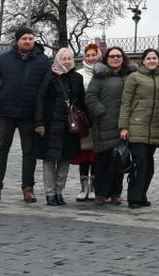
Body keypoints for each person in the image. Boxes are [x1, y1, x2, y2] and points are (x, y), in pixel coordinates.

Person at [0, 27, 51, 203]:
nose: (28, 41)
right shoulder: (4, 60)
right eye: (24, 38)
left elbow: (46, 87)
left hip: (29, 112)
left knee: (29, 152)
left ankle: (28, 188)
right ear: (17, 41)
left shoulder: (43, 61)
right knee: (0, 149)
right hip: (5, 112)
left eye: (31, 38)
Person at [34, 46, 86, 206]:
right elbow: (41, 99)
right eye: (64, 58)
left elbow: (81, 102)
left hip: (69, 127)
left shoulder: (77, 78)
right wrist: (39, 122)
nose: (67, 61)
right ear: (58, 60)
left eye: (69, 58)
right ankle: (50, 193)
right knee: (49, 160)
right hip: (50, 125)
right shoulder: (49, 76)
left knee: (65, 160)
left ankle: (59, 191)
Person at [119, 48, 159, 208]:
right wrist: (123, 127)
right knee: (140, 164)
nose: (152, 61)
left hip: (154, 128)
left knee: (149, 167)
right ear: (143, 61)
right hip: (136, 125)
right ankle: (133, 197)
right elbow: (126, 102)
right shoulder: (134, 77)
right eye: (148, 58)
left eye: (154, 58)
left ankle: (141, 195)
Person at [85, 46, 134, 205]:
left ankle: (115, 193)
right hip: (104, 124)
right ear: (106, 58)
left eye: (118, 56)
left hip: (123, 125)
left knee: (119, 161)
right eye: (112, 56)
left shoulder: (130, 75)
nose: (115, 58)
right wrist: (101, 111)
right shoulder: (100, 76)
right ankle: (100, 193)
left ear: (123, 58)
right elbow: (91, 97)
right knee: (103, 162)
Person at [72, 41, 102, 201]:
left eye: (93, 55)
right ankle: (84, 186)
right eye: (88, 55)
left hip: (100, 120)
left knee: (96, 155)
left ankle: (94, 186)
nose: (90, 58)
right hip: (85, 120)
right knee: (84, 155)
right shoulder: (79, 74)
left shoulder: (104, 72)